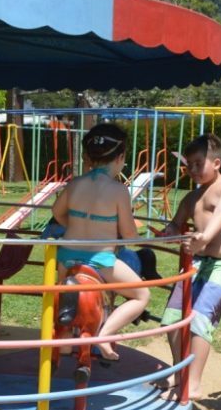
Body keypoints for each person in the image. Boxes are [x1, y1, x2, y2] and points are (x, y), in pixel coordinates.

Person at [157, 134, 221, 401]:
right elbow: (176, 223)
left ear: (216, 162)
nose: (193, 169)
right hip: (199, 261)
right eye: (189, 165)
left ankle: (193, 383)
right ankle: (180, 373)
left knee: (200, 318)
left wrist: (205, 237)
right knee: (172, 317)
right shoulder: (191, 198)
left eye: (199, 163)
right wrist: (169, 231)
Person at [51, 122, 149, 362]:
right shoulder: (118, 190)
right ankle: (105, 334)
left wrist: (75, 225)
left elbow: (57, 213)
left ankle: (63, 337)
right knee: (141, 295)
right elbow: (129, 235)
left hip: (66, 257)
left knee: (61, 296)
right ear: (120, 158)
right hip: (100, 260)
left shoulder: (75, 184)